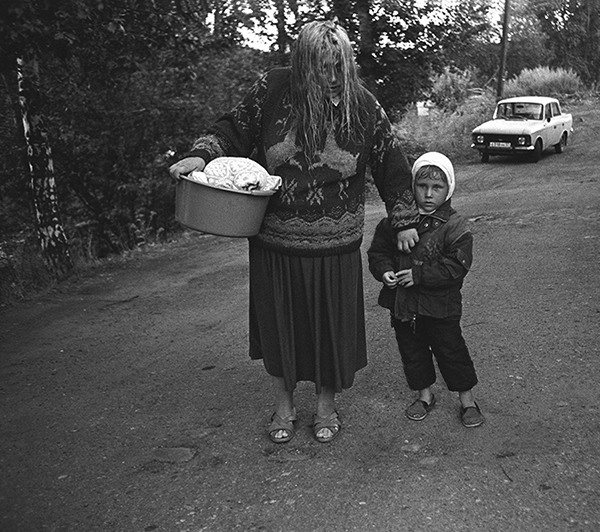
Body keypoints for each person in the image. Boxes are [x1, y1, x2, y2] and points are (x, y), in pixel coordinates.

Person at [168, 21, 420, 444]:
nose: (334, 76)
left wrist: (405, 220)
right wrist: (201, 154)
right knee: (280, 326)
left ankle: (325, 406)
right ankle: (283, 406)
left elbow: (390, 162)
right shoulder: (273, 89)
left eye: (340, 66)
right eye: (324, 67)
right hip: (275, 242)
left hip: (335, 246)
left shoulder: (363, 105)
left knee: (330, 329)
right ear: (303, 65)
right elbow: (233, 128)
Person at [367, 152, 485, 428]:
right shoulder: (394, 223)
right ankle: (424, 396)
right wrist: (384, 271)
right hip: (404, 307)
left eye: (437, 187)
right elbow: (378, 253)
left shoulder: (455, 226)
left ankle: (467, 400)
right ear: (412, 187)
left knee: (451, 351)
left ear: (449, 188)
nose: (429, 194)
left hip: (441, 307)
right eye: (422, 186)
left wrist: (419, 275)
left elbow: (457, 265)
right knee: (413, 353)